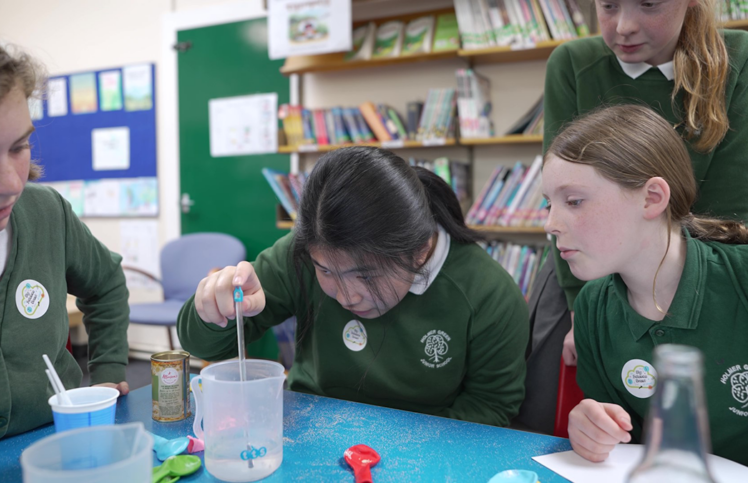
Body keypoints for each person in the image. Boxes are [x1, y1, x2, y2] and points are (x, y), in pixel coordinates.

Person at [519, 0, 748, 434]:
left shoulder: (737, 58)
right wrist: (580, 317)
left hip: (699, 253)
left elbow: (734, 206)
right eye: (607, 6)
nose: (623, 25)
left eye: (648, 4)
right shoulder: (572, 61)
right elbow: (563, 180)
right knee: (548, 402)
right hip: (586, 261)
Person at [178, 146, 529, 426]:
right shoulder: (300, 253)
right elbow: (199, 342)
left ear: (420, 251)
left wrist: (399, 451)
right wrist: (211, 310)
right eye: (326, 271)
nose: (347, 296)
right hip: (308, 430)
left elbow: (491, 409)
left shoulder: (488, 293)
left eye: (367, 276)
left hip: (428, 452)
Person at [0, 5, 130, 478]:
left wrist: (109, 374)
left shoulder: (43, 213)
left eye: (19, 146)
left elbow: (105, 284)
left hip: (65, 457)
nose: (9, 184)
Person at [542, 104, 748, 466]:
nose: (551, 224)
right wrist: (592, 429)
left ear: (652, 198)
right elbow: (624, 446)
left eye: (574, 201)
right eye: (548, 204)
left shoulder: (739, 278)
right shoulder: (592, 306)